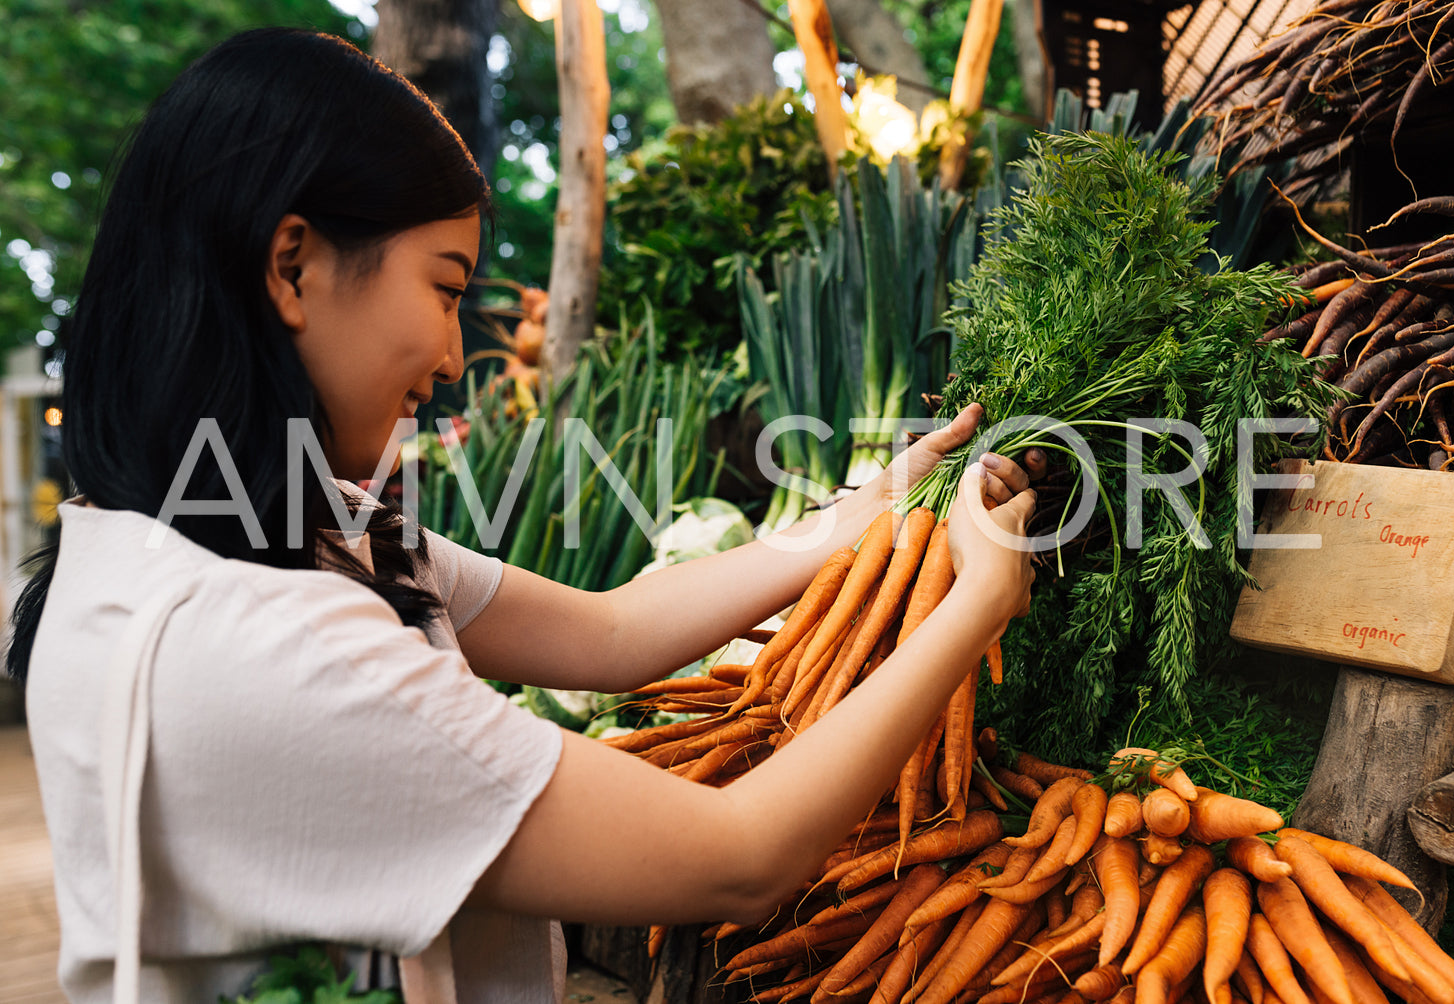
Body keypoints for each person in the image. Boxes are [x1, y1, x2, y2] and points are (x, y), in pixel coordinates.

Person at [5, 27, 1038, 1004]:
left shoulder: (247, 538)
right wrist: (975, 604)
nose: (457, 357)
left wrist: (870, 504)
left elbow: (612, 631)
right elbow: (737, 859)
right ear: (292, 266)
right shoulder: (265, 649)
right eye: (445, 287)